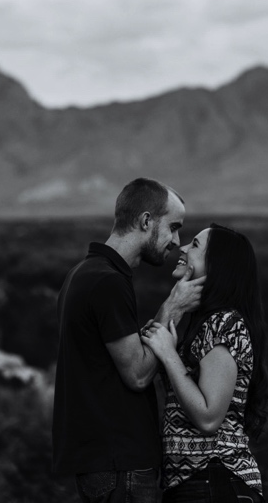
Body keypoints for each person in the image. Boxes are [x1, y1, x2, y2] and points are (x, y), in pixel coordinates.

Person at [53, 178, 205, 503]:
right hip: (119, 462)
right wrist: (173, 307)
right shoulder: (106, 282)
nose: (177, 242)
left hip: (105, 460)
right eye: (173, 227)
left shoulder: (85, 273)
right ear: (146, 221)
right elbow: (137, 374)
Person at [141, 223, 268, 503]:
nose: (183, 248)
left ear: (216, 266)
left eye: (195, 246)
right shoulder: (203, 324)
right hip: (198, 483)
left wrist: (168, 354)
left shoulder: (225, 323)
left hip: (215, 480)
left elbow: (209, 417)